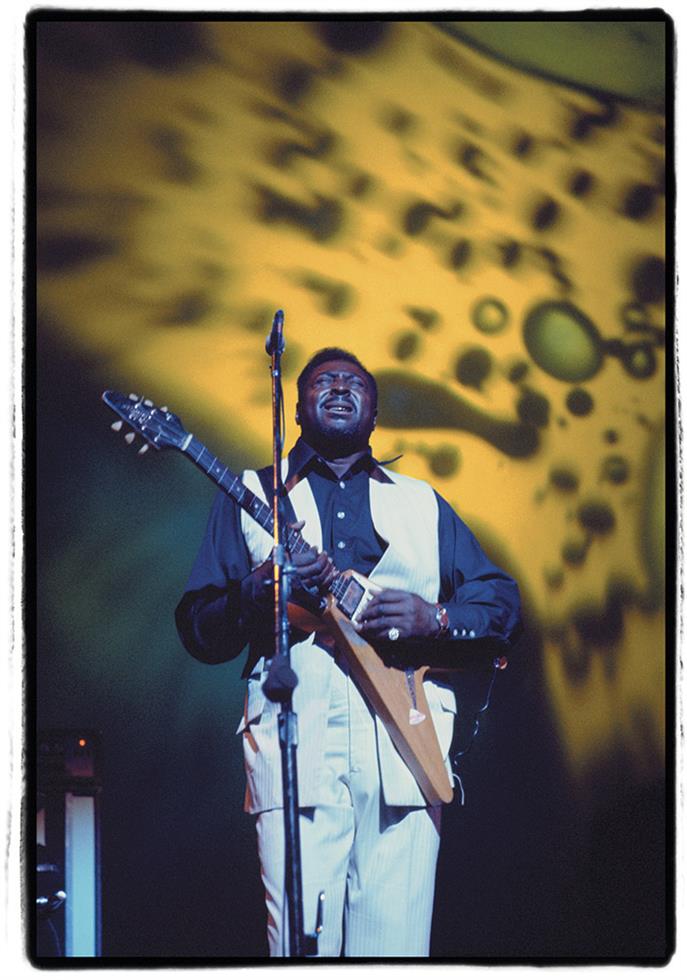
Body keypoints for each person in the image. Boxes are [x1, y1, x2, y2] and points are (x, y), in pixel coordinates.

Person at [175, 347, 521, 958]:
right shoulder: (253, 494)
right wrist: (257, 592)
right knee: (299, 949)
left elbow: (499, 604)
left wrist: (435, 617)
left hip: (407, 750)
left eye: (353, 382)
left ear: (375, 410)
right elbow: (199, 628)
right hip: (296, 741)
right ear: (298, 408)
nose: (338, 387)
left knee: (397, 952)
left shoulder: (422, 502)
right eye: (322, 381)